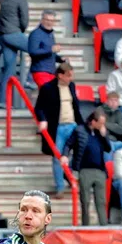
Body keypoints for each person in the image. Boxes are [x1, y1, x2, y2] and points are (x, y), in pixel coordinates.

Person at [34, 63, 82, 197]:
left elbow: (75, 107)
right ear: (60, 75)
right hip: (58, 127)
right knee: (57, 157)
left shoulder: (71, 86)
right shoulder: (47, 88)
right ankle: (60, 186)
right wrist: (43, 120)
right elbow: (39, 108)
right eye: (68, 76)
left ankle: (69, 176)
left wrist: (81, 124)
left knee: (79, 152)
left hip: (72, 124)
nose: (71, 79)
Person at [0, 0, 28, 109]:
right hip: (14, 33)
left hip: (3, 35)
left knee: (9, 69)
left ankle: (2, 100)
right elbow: (24, 19)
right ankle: (29, 79)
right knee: (37, 49)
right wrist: (20, 30)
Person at [73, 110, 112, 226]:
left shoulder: (100, 133)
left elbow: (108, 148)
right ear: (93, 121)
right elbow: (69, 144)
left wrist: (104, 136)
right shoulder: (80, 130)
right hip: (85, 169)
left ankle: (103, 225)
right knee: (85, 200)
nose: (102, 126)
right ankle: (86, 225)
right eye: (100, 123)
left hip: (100, 170)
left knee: (101, 200)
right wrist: (65, 156)